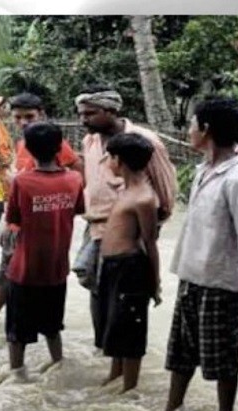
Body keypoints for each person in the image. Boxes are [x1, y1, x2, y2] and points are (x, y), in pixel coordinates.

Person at [162, 97, 238, 411]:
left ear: (205, 129)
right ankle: (172, 409)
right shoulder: (202, 172)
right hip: (192, 276)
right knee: (180, 354)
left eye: (192, 124)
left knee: (222, 361)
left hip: (221, 284)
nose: (189, 130)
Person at [0, 92, 82, 337]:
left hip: (36, 229)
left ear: (42, 114)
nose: (23, 122)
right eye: (18, 118)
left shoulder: (54, 145)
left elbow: (77, 175)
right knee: (8, 276)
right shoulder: (23, 144)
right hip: (19, 223)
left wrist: (57, 208)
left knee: (17, 278)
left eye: (29, 117)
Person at [73, 86, 177, 351]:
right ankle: (105, 352)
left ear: (111, 111)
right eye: (81, 114)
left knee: (126, 298)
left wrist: (147, 230)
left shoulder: (145, 141)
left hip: (130, 233)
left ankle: (124, 362)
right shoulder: (90, 141)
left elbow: (165, 191)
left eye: (90, 113)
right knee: (98, 292)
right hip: (96, 228)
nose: (83, 120)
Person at [4, 121, 85, 382]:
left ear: (27, 148)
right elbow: (79, 210)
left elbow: (13, 218)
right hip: (57, 268)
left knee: (17, 331)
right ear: (61, 147)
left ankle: (17, 375)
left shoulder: (22, 182)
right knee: (52, 326)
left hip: (25, 269)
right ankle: (57, 364)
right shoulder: (74, 179)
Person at [95, 133, 161, 393]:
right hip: (113, 266)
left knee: (131, 328)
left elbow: (150, 242)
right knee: (115, 322)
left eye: (110, 156)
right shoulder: (126, 189)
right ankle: (116, 374)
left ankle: (129, 387)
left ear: (118, 160)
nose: (108, 161)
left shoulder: (144, 198)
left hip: (131, 268)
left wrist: (154, 283)